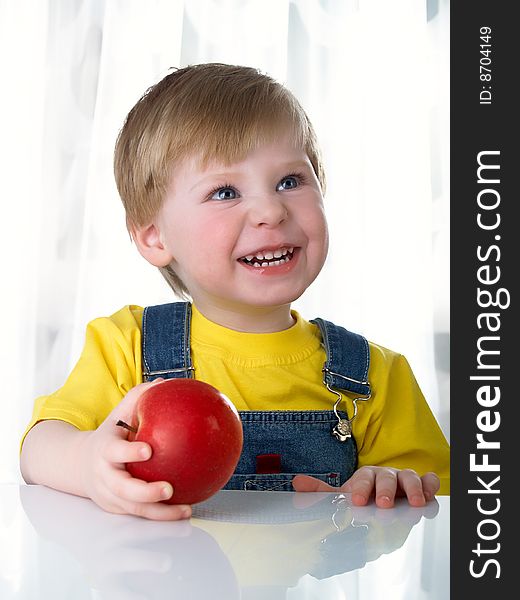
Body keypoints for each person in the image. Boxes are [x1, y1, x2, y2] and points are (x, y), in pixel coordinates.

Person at [20, 63, 450, 521]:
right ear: (155, 238)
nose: (270, 209)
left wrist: (391, 485)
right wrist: (88, 463)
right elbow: (38, 448)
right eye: (225, 192)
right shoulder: (126, 346)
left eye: (290, 181)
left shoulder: (376, 377)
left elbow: (435, 508)